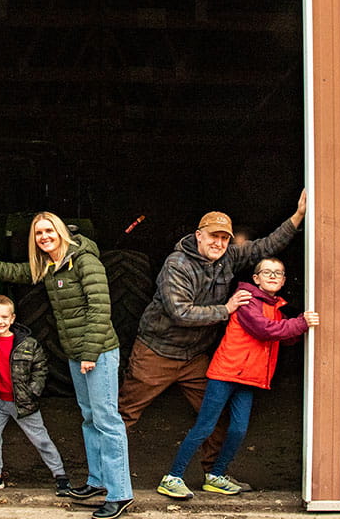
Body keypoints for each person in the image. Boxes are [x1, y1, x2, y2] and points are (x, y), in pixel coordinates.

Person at [120, 190, 307, 492]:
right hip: (157, 353)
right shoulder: (177, 265)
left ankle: (213, 474)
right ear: (198, 235)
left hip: (195, 356)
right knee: (126, 414)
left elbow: (265, 246)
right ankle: (106, 477)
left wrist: (297, 216)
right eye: (213, 237)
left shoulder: (228, 256)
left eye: (224, 238)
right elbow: (180, 312)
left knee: (216, 416)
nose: (218, 243)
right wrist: (226, 309)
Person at [0, 213, 134, 519]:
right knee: (90, 419)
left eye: (49, 230)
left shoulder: (84, 261)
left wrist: (90, 352)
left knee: (107, 421)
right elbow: (11, 271)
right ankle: (98, 481)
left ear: (61, 232)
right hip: (77, 353)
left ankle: (119, 493)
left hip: (98, 352)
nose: (44, 237)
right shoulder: (50, 266)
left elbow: (100, 308)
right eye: (38, 233)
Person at [156, 258, 318, 498]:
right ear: (256, 278)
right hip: (226, 373)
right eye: (267, 272)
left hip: (248, 377)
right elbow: (264, 329)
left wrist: (299, 327)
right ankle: (172, 477)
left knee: (238, 430)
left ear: (284, 281)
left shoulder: (275, 307)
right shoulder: (247, 300)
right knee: (205, 426)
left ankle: (216, 476)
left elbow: (282, 334)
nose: (273, 276)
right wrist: (301, 323)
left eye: (278, 273)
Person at [0, 295, 70, 496]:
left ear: (12, 318)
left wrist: (33, 391)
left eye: (4, 317)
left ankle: (60, 476)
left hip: (24, 403)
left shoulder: (28, 344)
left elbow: (41, 368)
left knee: (41, 440)